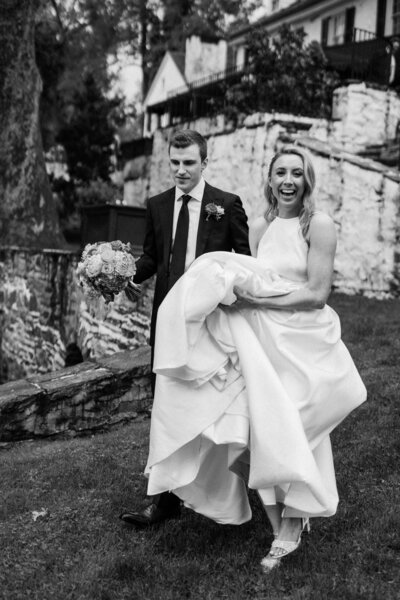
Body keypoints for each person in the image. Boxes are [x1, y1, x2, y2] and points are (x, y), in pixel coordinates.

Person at [140, 145, 367, 570]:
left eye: (296, 173)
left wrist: (257, 303)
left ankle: (293, 522)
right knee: (256, 429)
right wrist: (226, 296)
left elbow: (317, 295)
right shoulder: (260, 227)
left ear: (307, 179)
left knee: (297, 427)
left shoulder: (317, 226)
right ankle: (283, 522)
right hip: (262, 339)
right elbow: (249, 278)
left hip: (303, 339)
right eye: (280, 172)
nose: (287, 181)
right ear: (269, 178)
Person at [119, 128, 251, 526]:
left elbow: (243, 264)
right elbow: (152, 257)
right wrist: (125, 275)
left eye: (188, 163)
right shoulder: (157, 205)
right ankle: (163, 500)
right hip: (167, 322)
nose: (180, 170)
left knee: (209, 406)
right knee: (166, 408)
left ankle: (214, 487)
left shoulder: (226, 205)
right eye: (174, 163)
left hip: (210, 325)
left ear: (204, 162)